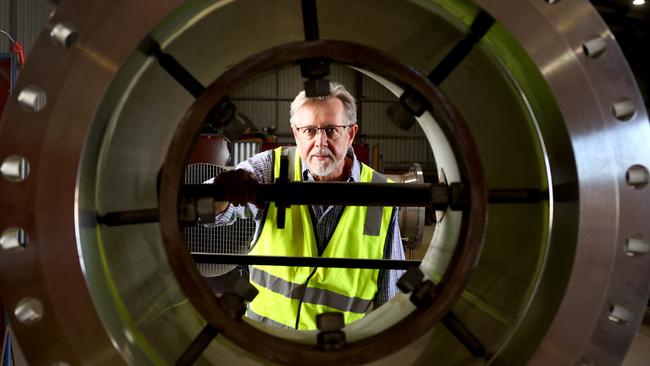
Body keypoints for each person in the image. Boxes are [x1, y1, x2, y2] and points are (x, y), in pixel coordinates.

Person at [210, 82, 405, 330]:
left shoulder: (381, 195)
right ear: (296, 133)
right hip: (266, 344)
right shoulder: (270, 168)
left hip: (335, 352)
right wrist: (223, 189)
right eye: (310, 130)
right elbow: (207, 206)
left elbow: (391, 301)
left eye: (332, 130)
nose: (320, 141)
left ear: (351, 134)